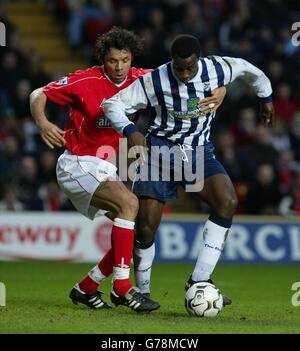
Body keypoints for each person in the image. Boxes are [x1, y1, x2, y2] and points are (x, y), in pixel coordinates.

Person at [103, 34, 275, 304]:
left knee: (227, 201)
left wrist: (266, 98)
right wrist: (130, 130)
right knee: (146, 227)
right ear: (171, 60)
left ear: (199, 60)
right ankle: (143, 292)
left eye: (189, 68)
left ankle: (200, 280)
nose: (184, 74)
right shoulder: (155, 80)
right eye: (179, 67)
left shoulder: (218, 69)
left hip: (197, 152)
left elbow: (251, 71)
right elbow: (112, 104)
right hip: (158, 152)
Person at [29, 27, 161, 313]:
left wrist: (221, 88)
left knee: (133, 230)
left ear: (131, 58)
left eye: (124, 60)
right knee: (129, 203)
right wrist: (42, 122)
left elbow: (179, 78)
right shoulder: (84, 79)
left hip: (105, 165)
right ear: (103, 58)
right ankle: (123, 288)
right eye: (113, 60)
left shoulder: (142, 79)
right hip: (77, 162)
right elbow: (38, 93)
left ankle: (87, 287)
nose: (119, 67)